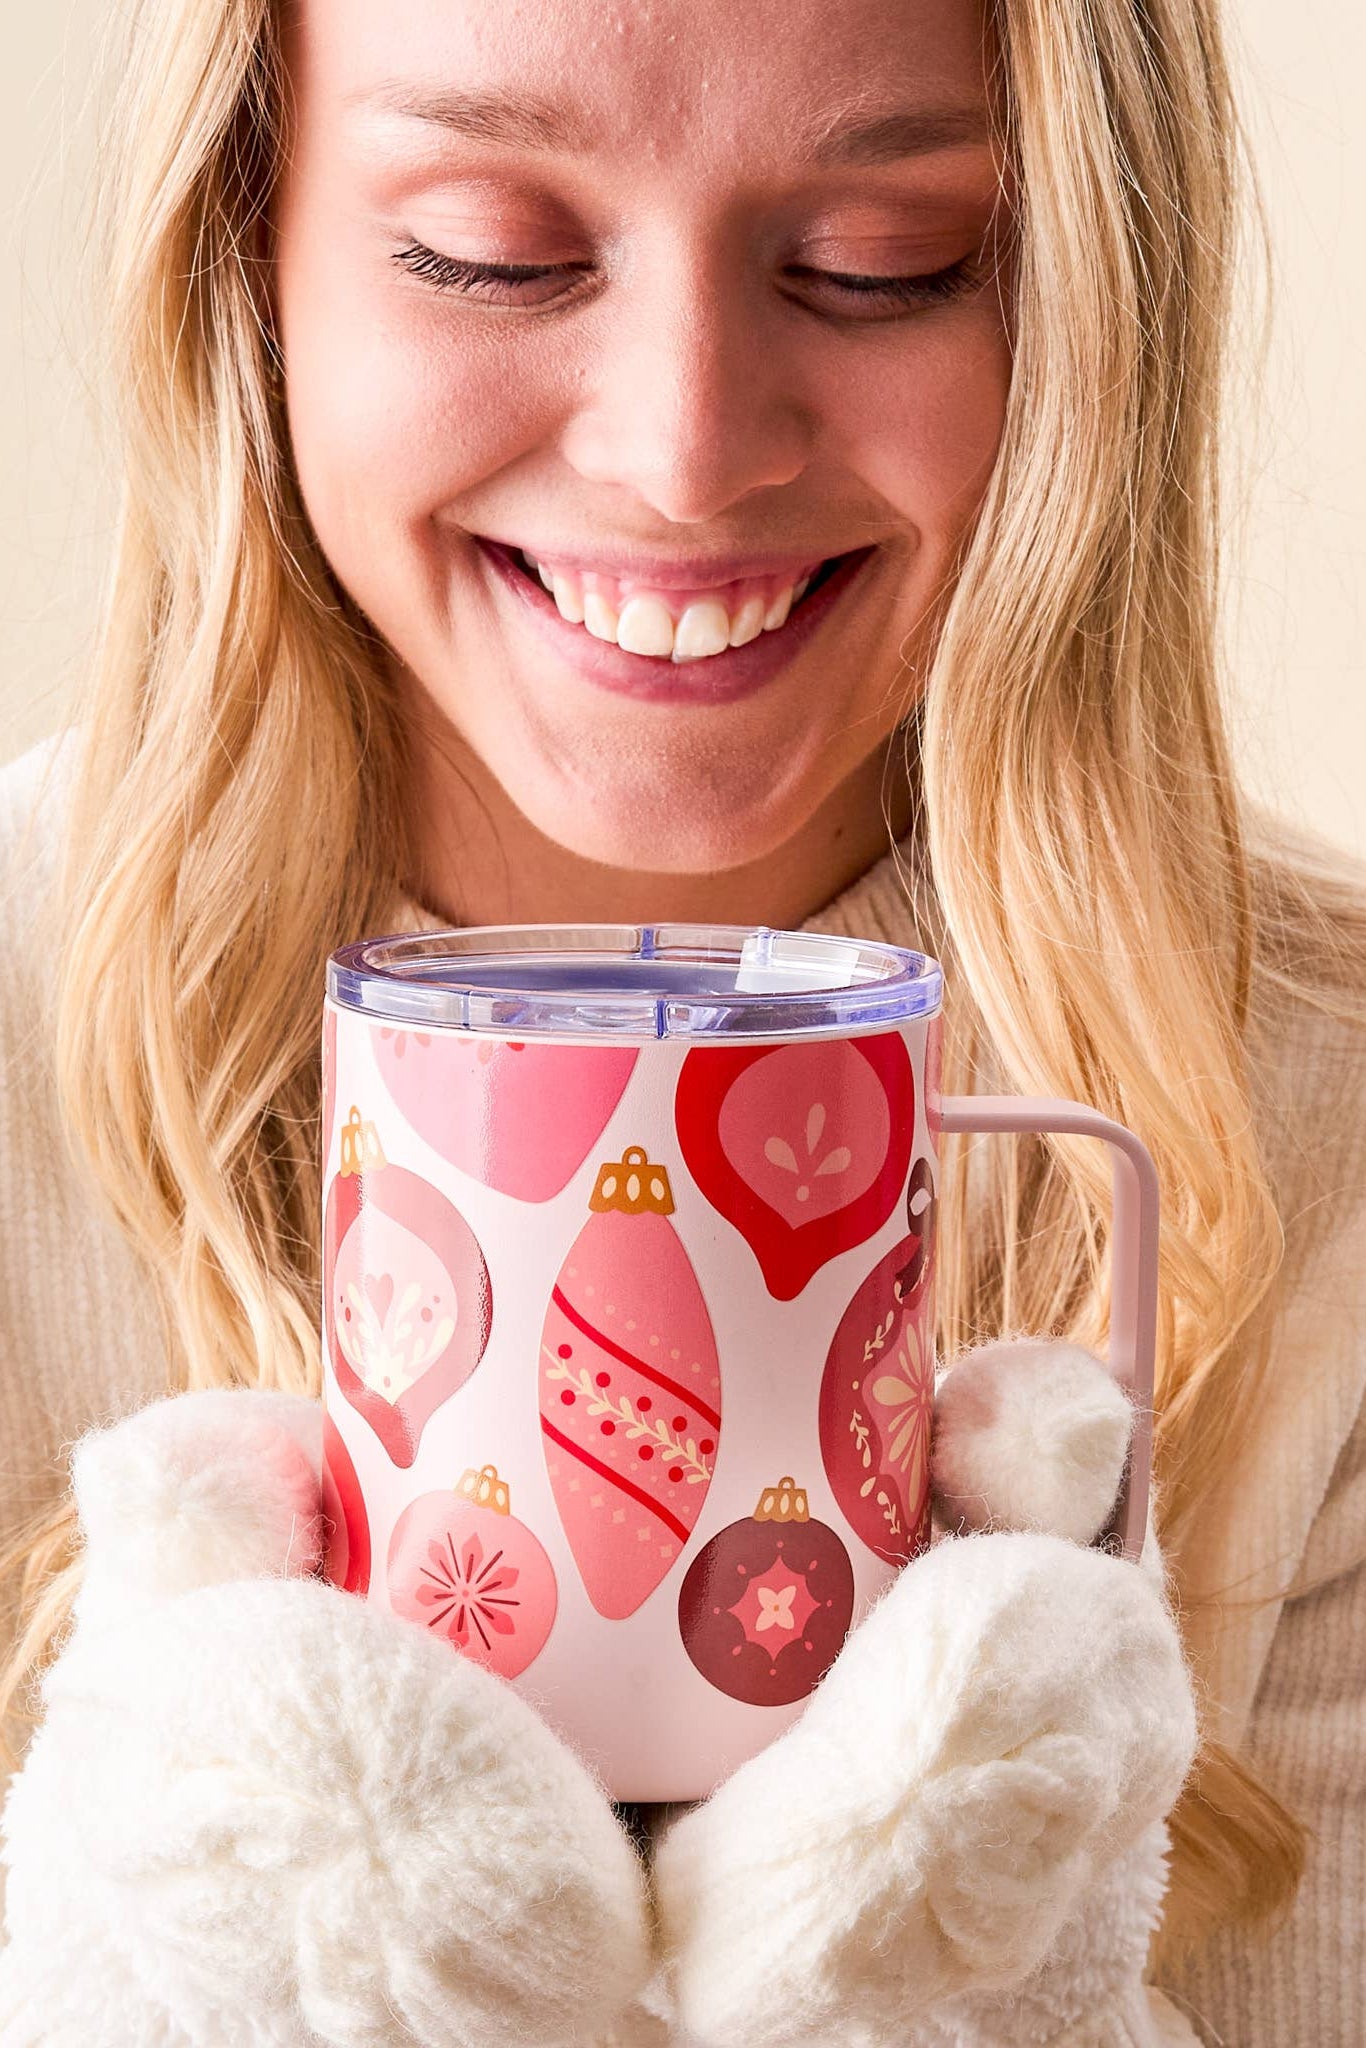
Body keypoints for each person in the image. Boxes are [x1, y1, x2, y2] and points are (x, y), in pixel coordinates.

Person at [0, 0, 1363, 2035]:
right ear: (246, 256)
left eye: (874, 266)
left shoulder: (1321, 1117)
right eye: (488, 246)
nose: (683, 448)